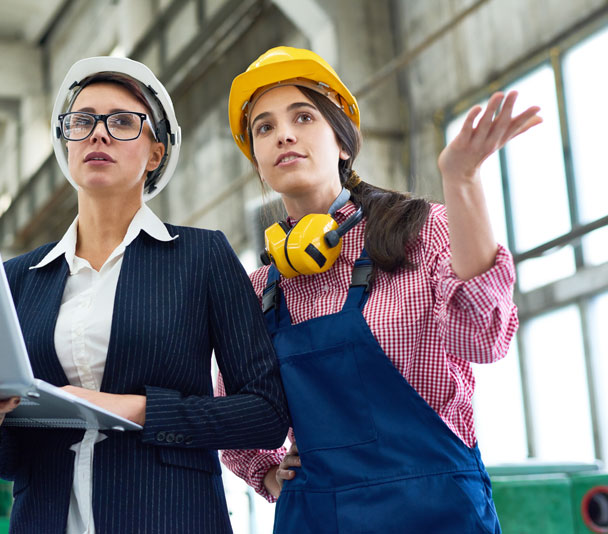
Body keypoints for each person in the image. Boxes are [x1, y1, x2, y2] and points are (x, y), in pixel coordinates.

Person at [0, 56, 289, 534]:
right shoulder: (18, 279)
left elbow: (264, 413)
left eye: (121, 122)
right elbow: (10, 461)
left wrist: (133, 408)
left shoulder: (202, 257)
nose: (98, 134)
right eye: (82, 121)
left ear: (155, 153)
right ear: (67, 141)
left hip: (171, 519)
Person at [217, 46, 540, 533]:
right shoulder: (259, 289)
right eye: (264, 127)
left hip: (437, 511)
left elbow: (483, 337)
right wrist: (268, 472)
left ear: (343, 142)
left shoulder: (420, 232)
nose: (283, 133)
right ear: (260, 164)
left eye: (303, 117)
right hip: (316, 516)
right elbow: (235, 412)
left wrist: (463, 181)